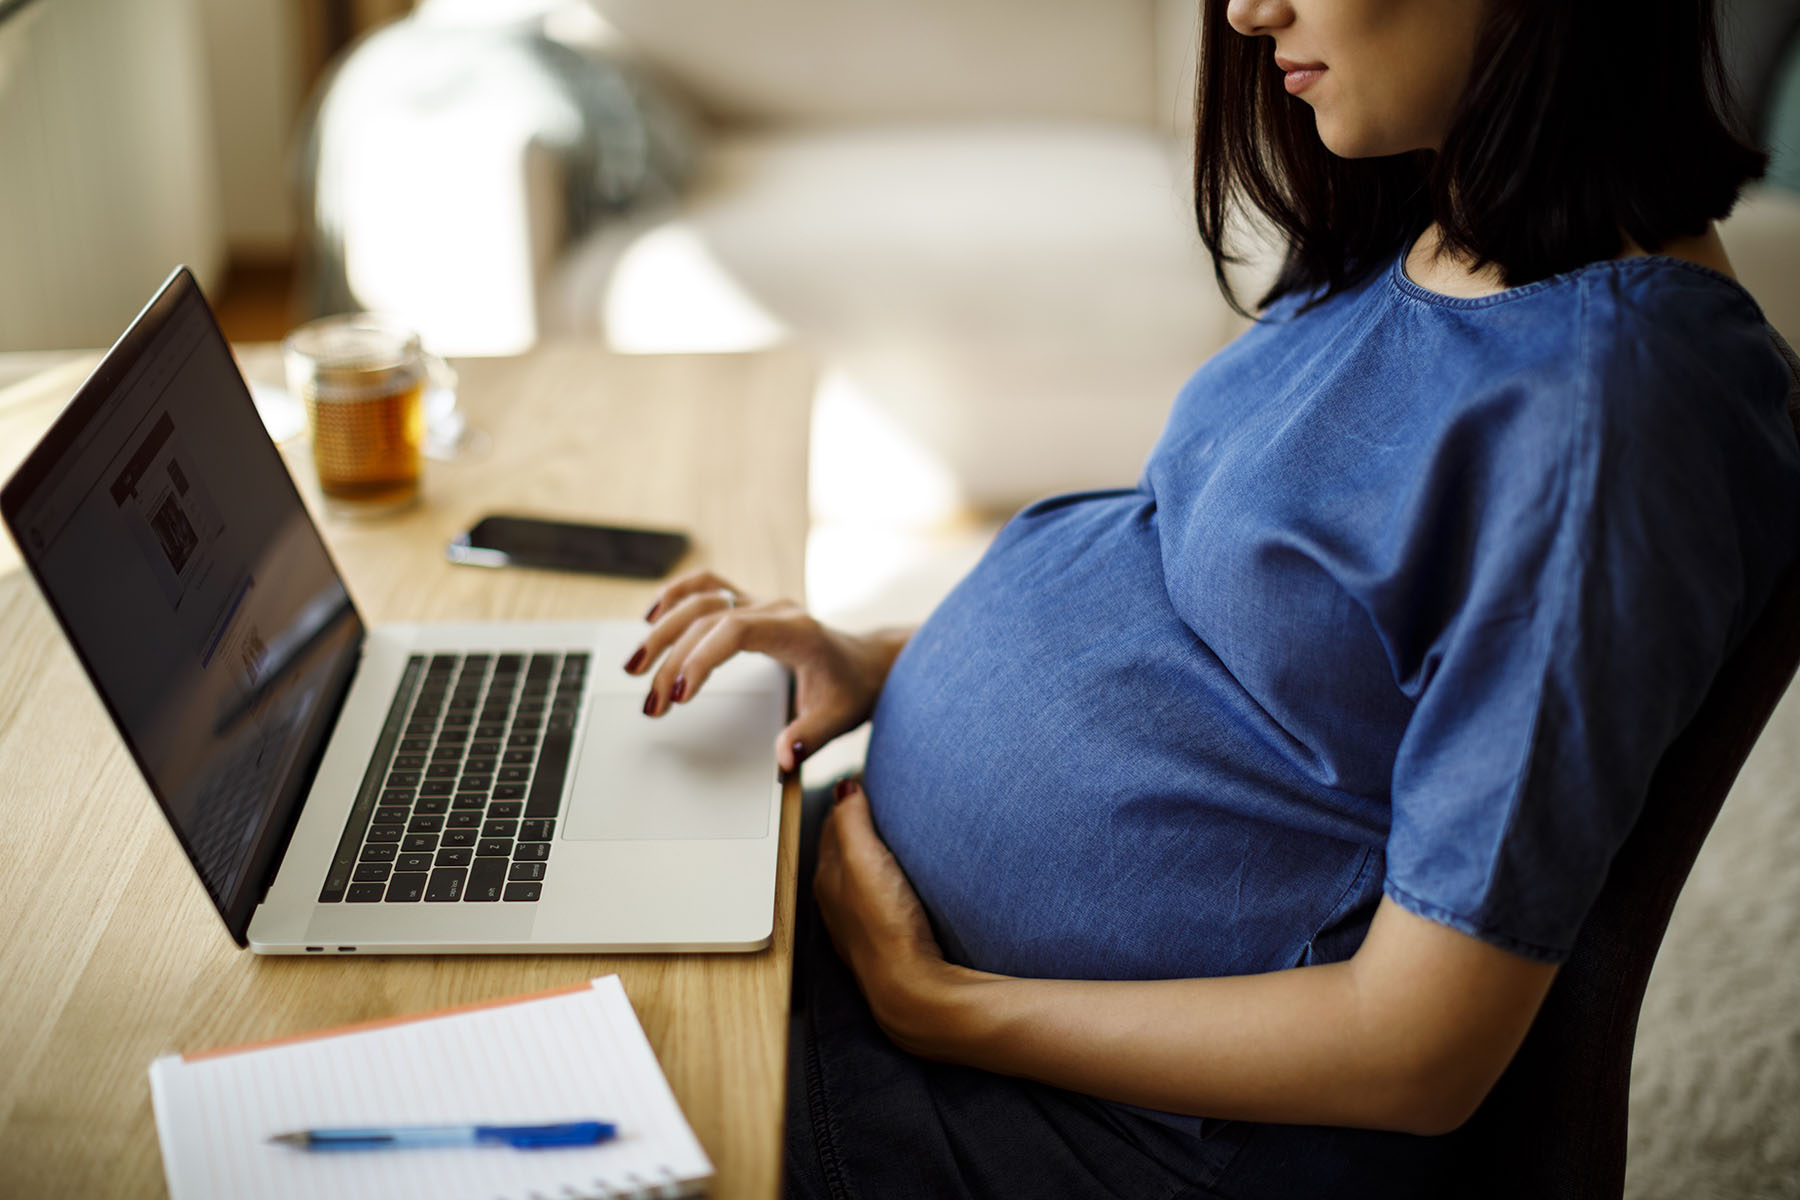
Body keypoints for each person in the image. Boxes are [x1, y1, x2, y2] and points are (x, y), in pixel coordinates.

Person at [623, 0, 1800, 1195]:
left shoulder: (1606, 414)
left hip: (1085, 1123)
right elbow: (1218, 602)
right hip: (907, 950)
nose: (1246, 10)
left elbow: (1421, 1051)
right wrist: (881, 655)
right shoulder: (1430, 216)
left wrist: (942, 1008)